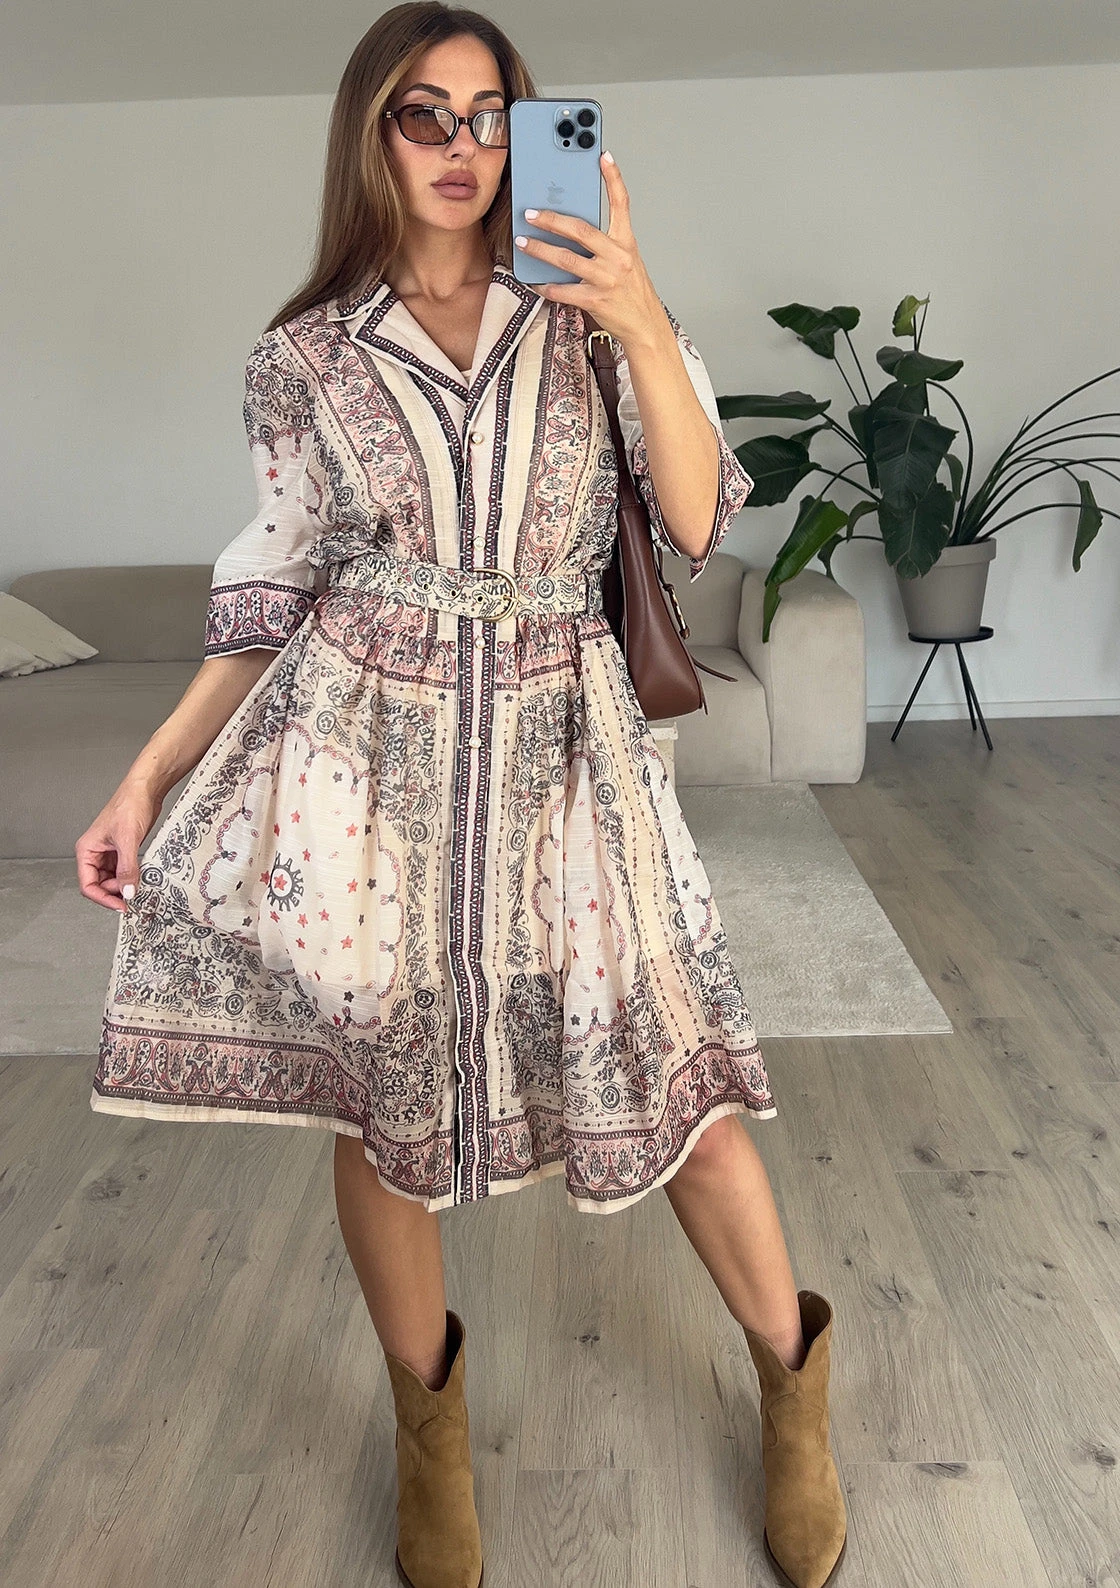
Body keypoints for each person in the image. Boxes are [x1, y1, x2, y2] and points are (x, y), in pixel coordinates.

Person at [74, 5, 848, 1586]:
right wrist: (147, 775)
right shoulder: (301, 359)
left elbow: (696, 516)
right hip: (362, 767)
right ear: (369, 132)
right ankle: (429, 1437)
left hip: (572, 754)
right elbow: (271, 587)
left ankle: (793, 1393)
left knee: (678, 1081)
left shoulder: (591, 311)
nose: (461, 147)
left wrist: (636, 312)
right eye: (422, 115)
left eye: (491, 116)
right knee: (381, 1108)